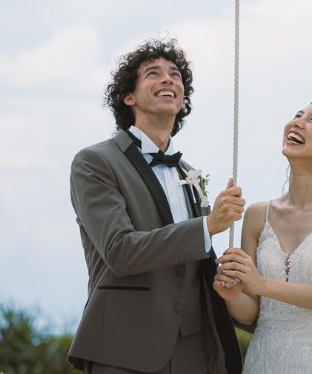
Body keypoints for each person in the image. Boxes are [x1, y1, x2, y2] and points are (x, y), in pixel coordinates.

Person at [68, 38, 246, 374]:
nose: (168, 79)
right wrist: (207, 226)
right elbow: (120, 251)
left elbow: (192, 261)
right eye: (153, 73)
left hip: (193, 352)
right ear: (129, 97)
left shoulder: (190, 173)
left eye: (175, 75)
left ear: (182, 99)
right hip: (123, 348)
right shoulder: (95, 162)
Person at [212, 98, 312, 374]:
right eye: (298, 115)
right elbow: (250, 313)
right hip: (264, 362)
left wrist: (262, 284)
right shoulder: (256, 215)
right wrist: (232, 294)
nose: (296, 122)